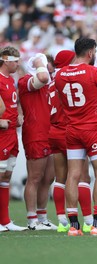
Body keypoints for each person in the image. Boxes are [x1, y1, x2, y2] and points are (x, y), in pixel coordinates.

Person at [55, 37, 97, 236]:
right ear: (91, 53)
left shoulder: (60, 74)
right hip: (94, 128)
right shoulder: (93, 71)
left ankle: (74, 226)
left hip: (72, 128)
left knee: (72, 175)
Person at [49, 50, 93, 233]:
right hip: (71, 130)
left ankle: (62, 220)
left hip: (53, 131)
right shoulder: (70, 79)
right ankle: (89, 221)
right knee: (81, 176)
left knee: (61, 178)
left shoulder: (53, 82)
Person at [18, 54, 57, 230]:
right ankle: (32, 220)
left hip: (50, 132)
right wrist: (38, 61)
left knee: (48, 178)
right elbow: (41, 77)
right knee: (34, 177)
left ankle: (42, 217)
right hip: (36, 133)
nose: (50, 71)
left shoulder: (50, 82)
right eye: (47, 66)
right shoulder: (25, 80)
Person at [0, 46, 28, 232]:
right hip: (1, 134)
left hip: (11, 133)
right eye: (15, 61)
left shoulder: (10, 80)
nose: (18, 64)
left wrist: (18, 115)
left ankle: (5, 220)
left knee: (6, 176)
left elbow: (13, 102)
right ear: (6, 60)